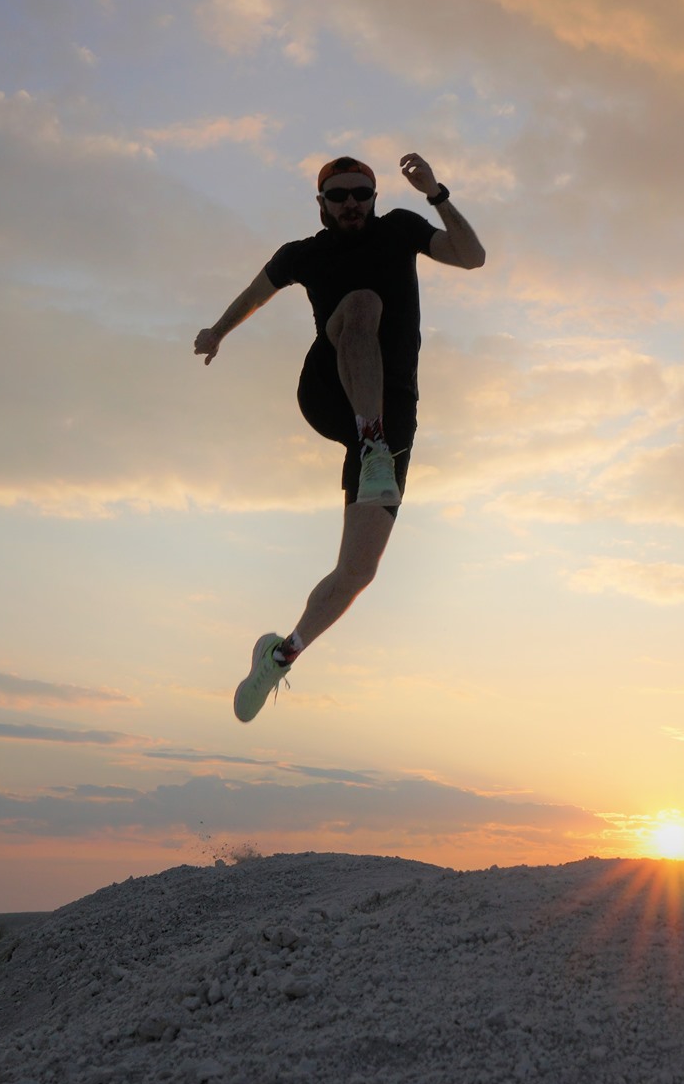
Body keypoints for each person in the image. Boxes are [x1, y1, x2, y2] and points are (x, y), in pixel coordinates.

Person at [195, 152, 487, 722]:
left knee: (358, 571)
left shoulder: (400, 228)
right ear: (321, 205)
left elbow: (472, 257)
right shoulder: (303, 254)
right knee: (361, 302)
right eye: (339, 196)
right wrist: (218, 332)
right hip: (330, 391)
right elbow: (255, 294)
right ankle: (370, 440)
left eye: (361, 194)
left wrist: (437, 194)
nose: (351, 203)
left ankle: (279, 656)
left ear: (374, 198)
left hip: (394, 413)